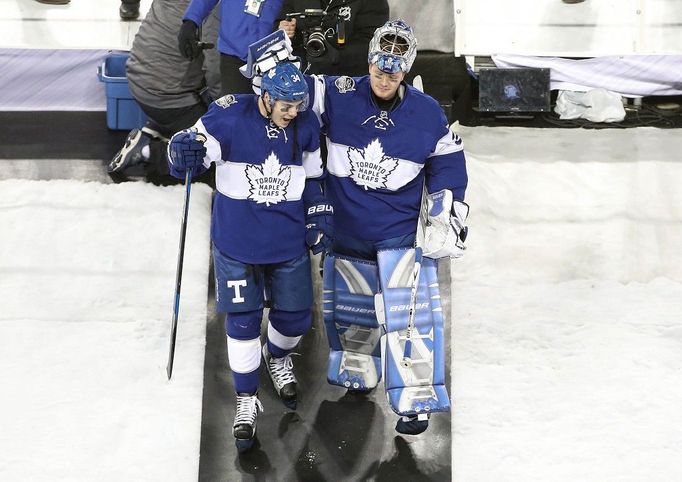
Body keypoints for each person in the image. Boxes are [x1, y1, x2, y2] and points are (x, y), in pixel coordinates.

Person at [285, 19, 469, 435]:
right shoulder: (338, 91)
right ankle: (357, 368)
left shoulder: (426, 112)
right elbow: (289, 91)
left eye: (395, 71)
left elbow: (448, 162)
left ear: (406, 70)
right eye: (379, 69)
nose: (385, 78)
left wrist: (446, 210)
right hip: (346, 231)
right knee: (351, 311)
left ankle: (416, 399)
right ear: (369, 63)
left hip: (399, 235)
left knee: (411, 317)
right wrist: (289, 59)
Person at [167, 62, 332, 453]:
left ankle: (275, 356)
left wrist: (317, 214)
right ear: (266, 97)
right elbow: (190, 158)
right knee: (242, 322)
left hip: (287, 243)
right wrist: (179, 154)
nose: (294, 113)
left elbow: (313, 178)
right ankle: (245, 399)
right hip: (237, 245)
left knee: (294, 320)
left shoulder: (305, 125)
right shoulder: (226, 116)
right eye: (286, 106)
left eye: (298, 105)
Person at [107, 0, 220, 179]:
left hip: (143, 75)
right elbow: (216, 70)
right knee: (225, 154)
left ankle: (162, 128)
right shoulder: (213, 8)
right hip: (166, 96)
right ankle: (149, 151)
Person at [178, 0, 285, 96]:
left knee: (275, 112)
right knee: (235, 110)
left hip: (275, 54)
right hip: (234, 56)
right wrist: (191, 21)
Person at [276, 0, 389, 76]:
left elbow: (374, 45)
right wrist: (287, 33)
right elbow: (279, 27)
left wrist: (336, 56)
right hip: (298, 76)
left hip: (345, 81)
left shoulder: (373, 3)